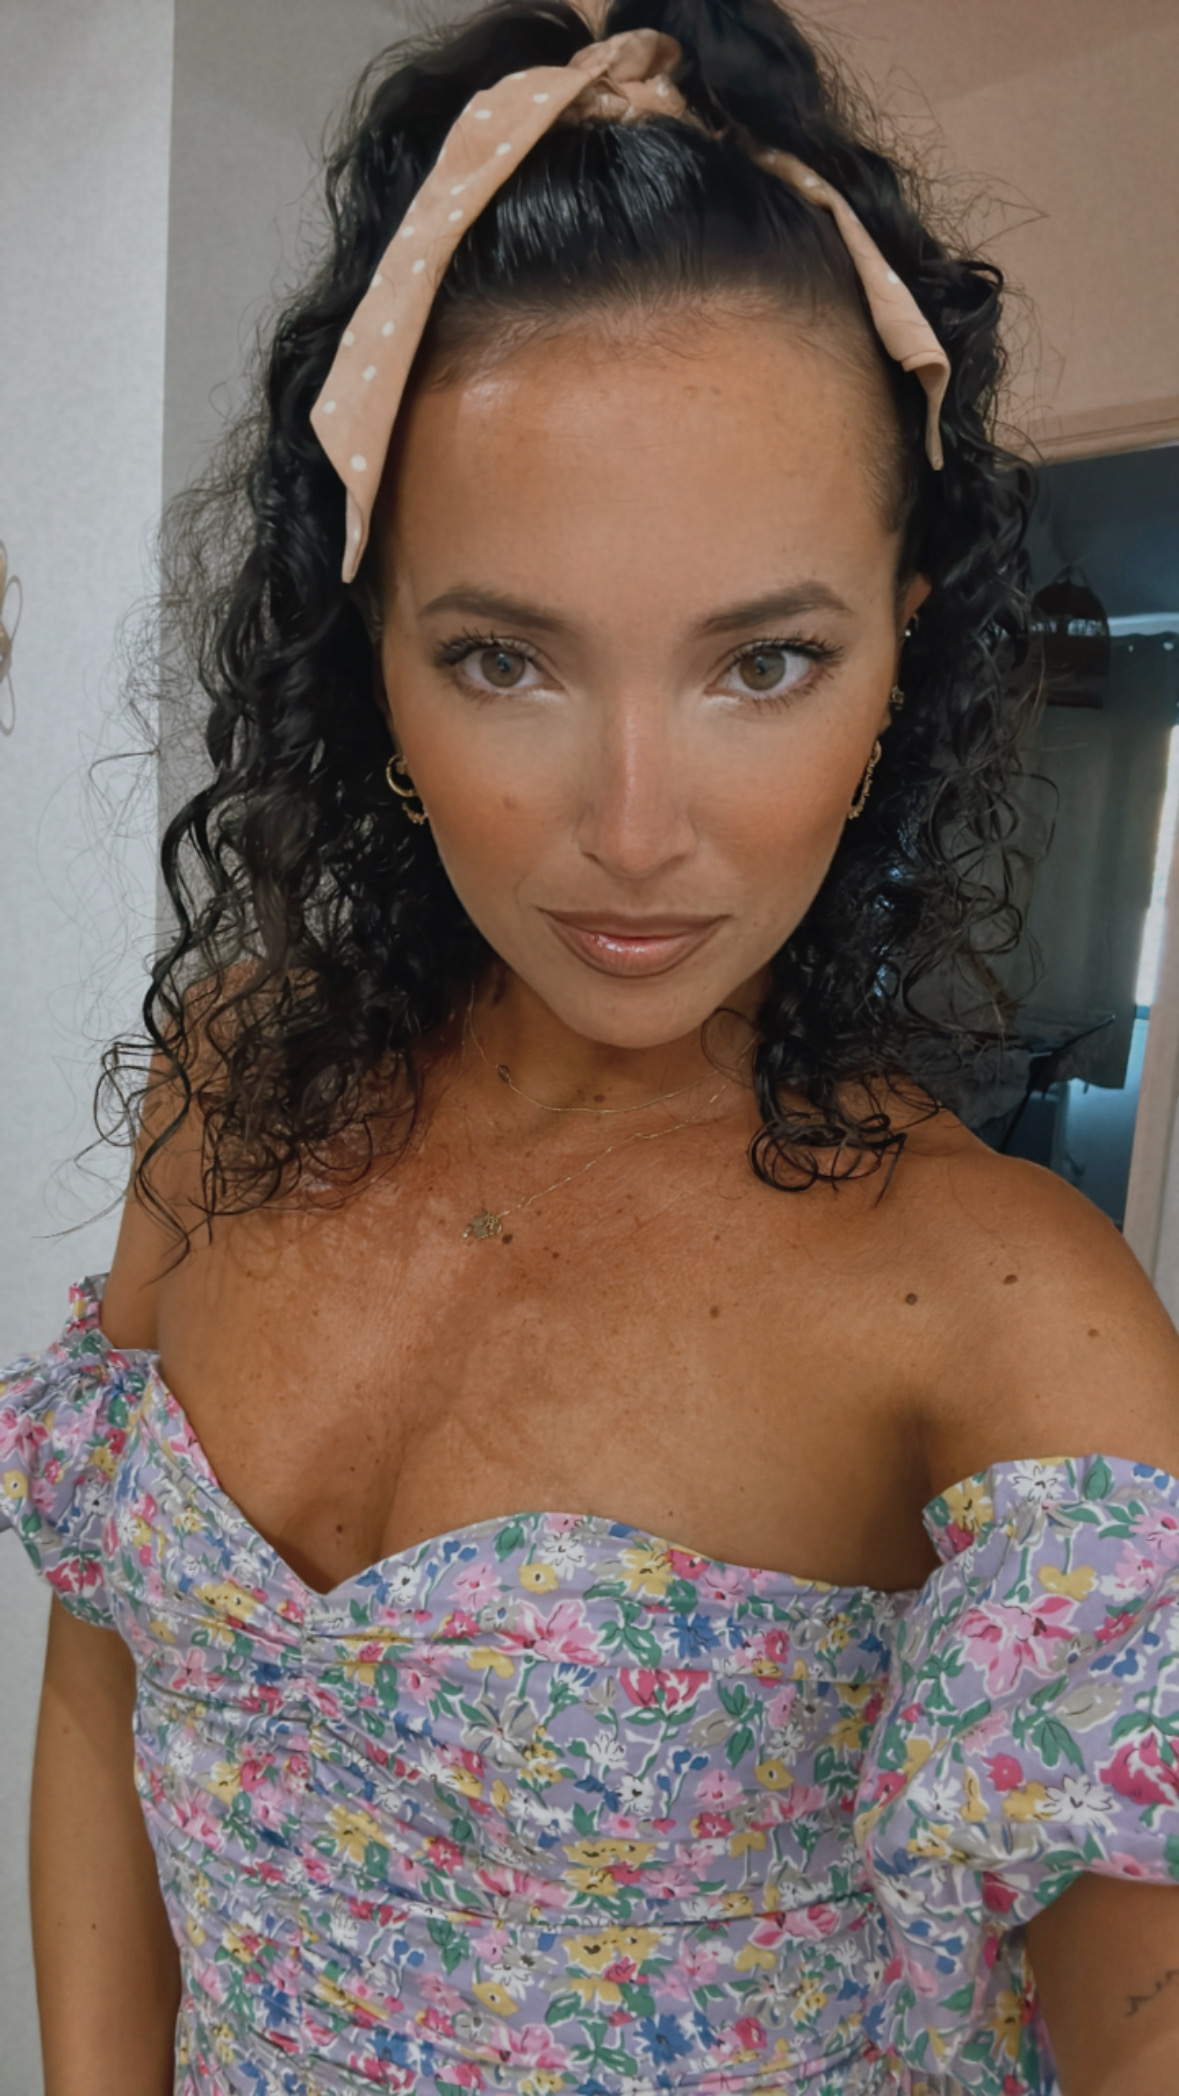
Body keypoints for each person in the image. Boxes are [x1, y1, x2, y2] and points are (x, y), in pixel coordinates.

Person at [4, 2, 1178, 2091]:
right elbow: (108, 1685)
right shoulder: (237, 1076)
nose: (635, 829)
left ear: (903, 653)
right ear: (370, 647)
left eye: (764, 660)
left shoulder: (1010, 1316)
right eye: (502, 657)